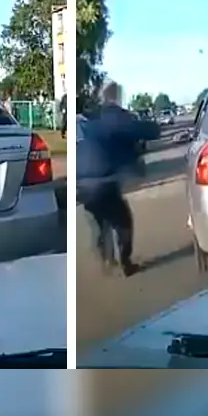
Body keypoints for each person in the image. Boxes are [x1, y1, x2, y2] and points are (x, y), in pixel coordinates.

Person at [77, 81, 158, 276]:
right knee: (123, 222)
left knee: (100, 221)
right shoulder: (114, 116)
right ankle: (125, 263)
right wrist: (153, 128)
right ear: (115, 97)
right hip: (103, 182)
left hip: (82, 184)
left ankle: (106, 257)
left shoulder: (91, 117)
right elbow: (147, 131)